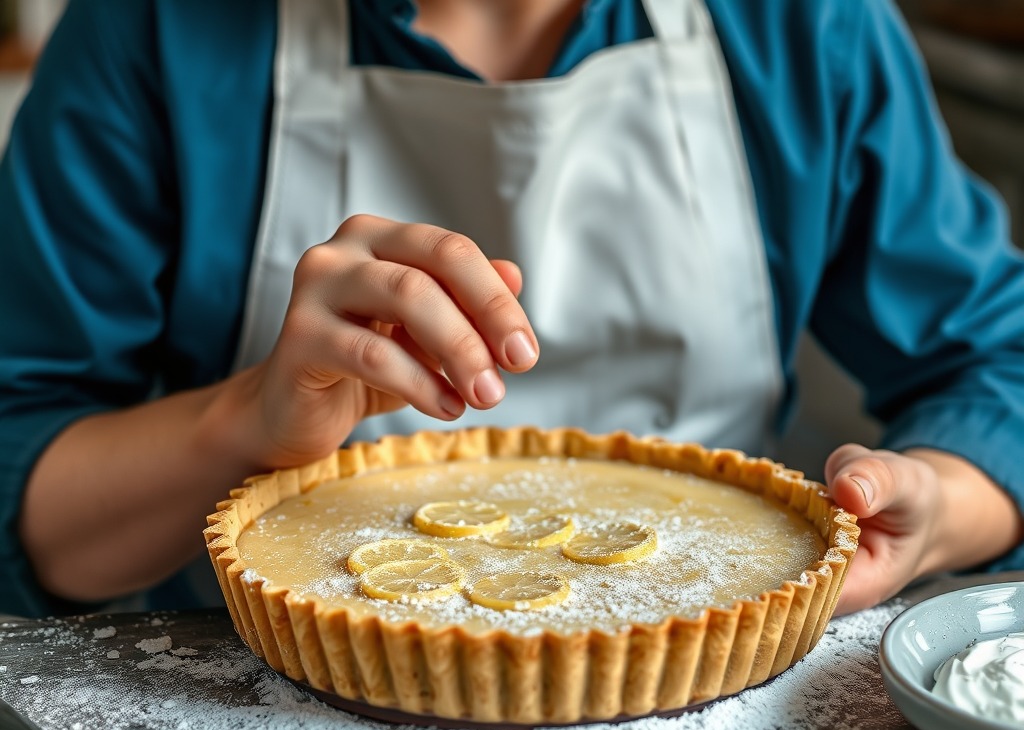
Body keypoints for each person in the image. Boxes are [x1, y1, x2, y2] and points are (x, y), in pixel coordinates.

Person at [0, 0, 1022, 620]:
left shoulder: (799, 26)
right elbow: (26, 479)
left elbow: (998, 368)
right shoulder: (155, 30)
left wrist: (929, 509)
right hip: (262, 699)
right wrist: (245, 423)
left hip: (716, 688)